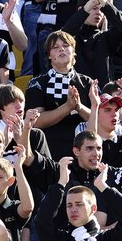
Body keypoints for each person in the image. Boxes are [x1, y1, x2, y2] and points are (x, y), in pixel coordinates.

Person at [25, 30, 91, 160]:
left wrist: (79, 107)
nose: (61, 49)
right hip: (49, 150)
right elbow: (35, 122)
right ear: (49, 55)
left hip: (82, 151)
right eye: (55, 47)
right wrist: (67, 107)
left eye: (66, 46)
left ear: (74, 52)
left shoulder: (87, 82)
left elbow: (99, 120)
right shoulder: (37, 83)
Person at [61, 0, 122, 86]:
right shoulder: (72, 37)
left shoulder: (106, 37)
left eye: (101, 9)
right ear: (81, 9)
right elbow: (64, 34)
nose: (98, 12)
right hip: (77, 91)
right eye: (93, 8)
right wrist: (90, 3)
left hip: (103, 92)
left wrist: (103, 0)